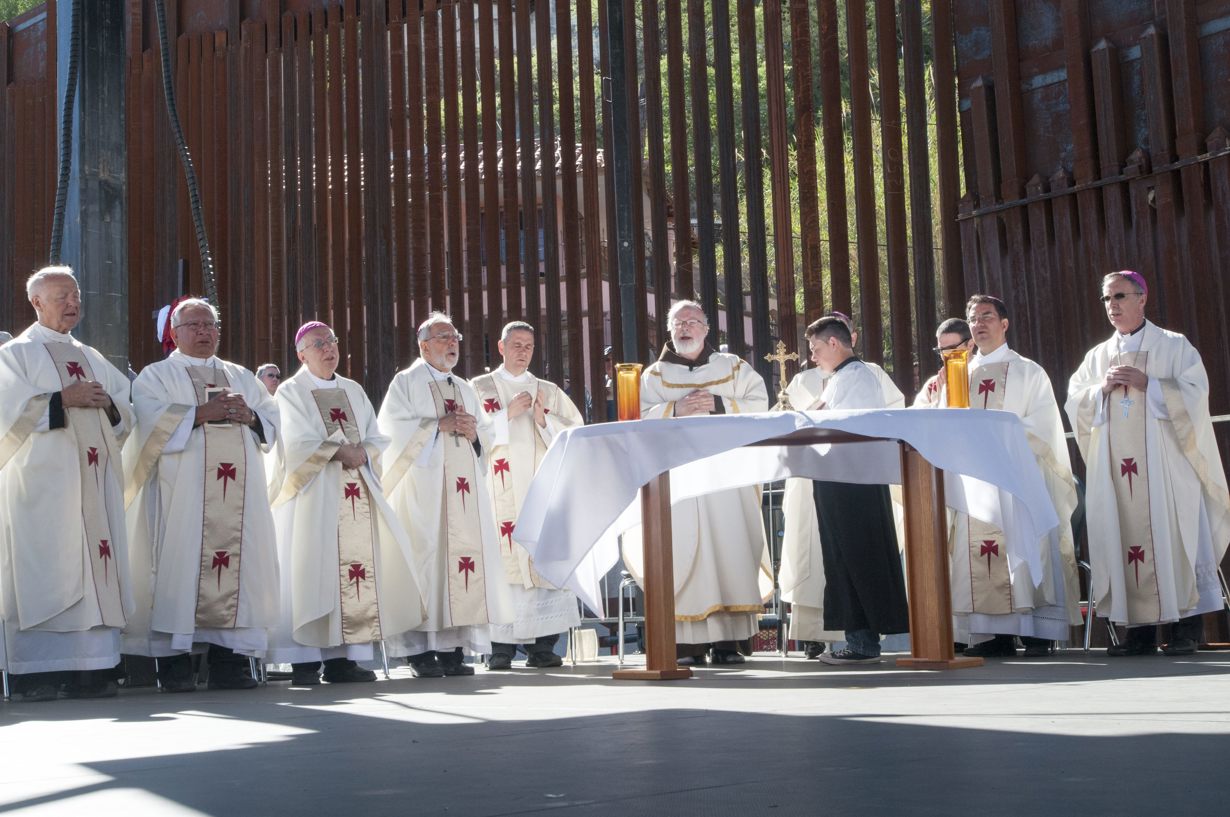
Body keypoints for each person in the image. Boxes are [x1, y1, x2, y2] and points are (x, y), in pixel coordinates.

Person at [1066, 271, 1230, 656]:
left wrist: (1150, 385)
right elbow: (1075, 400)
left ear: (1142, 298)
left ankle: (1187, 628)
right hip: (1119, 475)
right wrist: (1099, 390)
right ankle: (1138, 632)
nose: (1113, 306)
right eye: (1106, 299)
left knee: (1175, 536)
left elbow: (1195, 397)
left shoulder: (1174, 346)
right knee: (1125, 538)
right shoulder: (1098, 357)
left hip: (1165, 470)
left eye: (1120, 296)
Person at [123, 298, 281, 692]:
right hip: (183, 498)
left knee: (238, 571)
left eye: (210, 325)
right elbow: (146, 427)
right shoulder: (155, 376)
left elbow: (272, 420)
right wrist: (200, 414)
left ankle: (230, 663)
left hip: (239, 500)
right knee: (179, 568)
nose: (204, 332)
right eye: (193, 325)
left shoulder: (242, 376)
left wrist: (253, 418)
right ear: (174, 333)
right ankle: (174, 667)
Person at [265, 322, 425, 685]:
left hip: (357, 492)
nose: (329, 348)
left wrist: (362, 452)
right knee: (311, 570)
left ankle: (345, 660)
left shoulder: (352, 389)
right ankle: (304, 661)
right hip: (313, 496)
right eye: (318, 344)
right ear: (301, 354)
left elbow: (375, 436)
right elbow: (293, 440)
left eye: (333, 341)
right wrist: (339, 450)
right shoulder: (291, 392)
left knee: (355, 574)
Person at [0, 267, 133, 702]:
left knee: (95, 567)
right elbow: (6, 416)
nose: (72, 302)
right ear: (36, 302)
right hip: (44, 488)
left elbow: (126, 411)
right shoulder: (15, 355)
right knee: (46, 567)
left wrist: (109, 405)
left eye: (75, 295)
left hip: (94, 482)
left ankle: (93, 669)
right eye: (61, 296)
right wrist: (62, 399)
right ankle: (35, 672)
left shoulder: (92, 356)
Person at [924, 296, 1081, 657]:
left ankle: (1037, 630)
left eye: (987, 317)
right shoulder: (959, 371)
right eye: (973, 318)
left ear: (1004, 324)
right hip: (975, 482)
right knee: (979, 551)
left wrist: (1000, 435)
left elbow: (1043, 427)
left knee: (1027, 546)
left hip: (1016, 477)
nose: (979, 324)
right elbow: (947, 420)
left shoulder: (1028, 371)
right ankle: (994, 633)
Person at [626, 300, 773, 665]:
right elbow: (633, 416)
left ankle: (729, 643)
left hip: (728, 478)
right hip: (678, 479)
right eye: (679, 322)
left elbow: (761, 403)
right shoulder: (654, 376)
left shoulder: (733, 367)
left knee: (731, 549)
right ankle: (686, 646)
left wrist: (719, 405)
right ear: (670, 331)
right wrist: (674, 410)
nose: (686, 327)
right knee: (679, 553)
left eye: (693, 321)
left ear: (708, 329)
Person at [377, 313, 513, 677]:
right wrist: (438, 426)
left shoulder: (465, 387)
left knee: (461, 564)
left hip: (464, 493)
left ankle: (453, 648)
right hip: (424, 493)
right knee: (426, 562)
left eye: (454, 337)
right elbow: (391, 433)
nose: (452, 343)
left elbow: (486, 435)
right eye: (442, 337)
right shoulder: (405, 383)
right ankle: (419, 650)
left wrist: (474, 435)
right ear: (423, 345)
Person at [780, 316, 906, 660]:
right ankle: (858, 639)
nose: (813, 357)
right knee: (843, 559)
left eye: (816, 348)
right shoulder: (841, 379)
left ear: (834, 344)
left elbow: (847, 425)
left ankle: (864, 643)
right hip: (840, 480)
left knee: (856, 558)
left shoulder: (859, 377)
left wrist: (808, 419)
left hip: (854, 482)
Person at [471, 321, 584, 669]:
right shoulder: (478, 387)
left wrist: (542, 420)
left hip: (540, 492)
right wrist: (507, 415)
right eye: (516, 344)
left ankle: (542, 646)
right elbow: (469, 433)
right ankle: (499, 649)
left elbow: (575, 433)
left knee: (541, 562)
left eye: (529, 346)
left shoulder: (547, 390)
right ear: (501, 348)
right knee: (502, 567)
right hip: (497, 494)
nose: (523, 351)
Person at [913, 318, 974, 408]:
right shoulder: (932, 385)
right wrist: (941, 399)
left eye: (951, 348)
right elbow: (917, 416)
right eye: (941, 350)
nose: (945, 355)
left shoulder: (982, 376)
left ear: (970, 345)